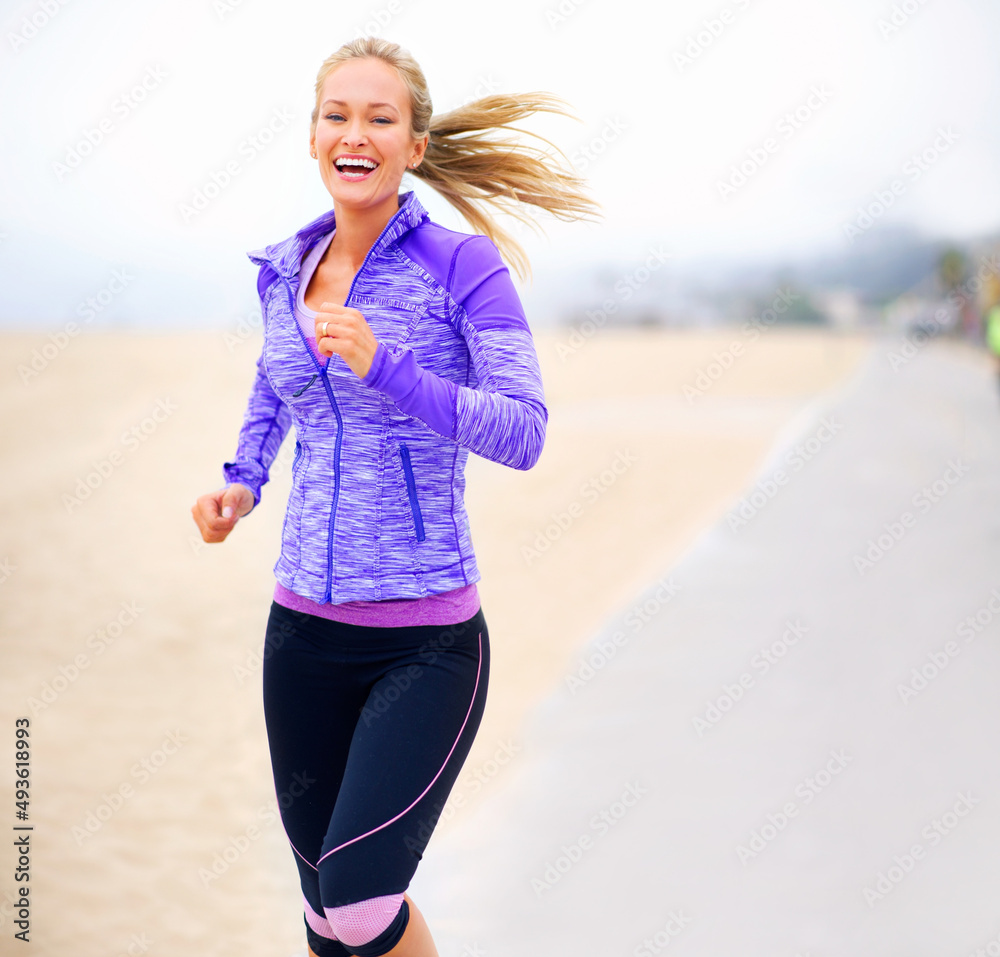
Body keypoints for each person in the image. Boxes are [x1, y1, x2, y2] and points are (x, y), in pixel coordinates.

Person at [190, 36, 599, 957]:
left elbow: (523, 431)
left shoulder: (464, 268)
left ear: (414, 145)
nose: (356, 132)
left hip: (426, 641)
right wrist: (240, 482)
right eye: (337, 114)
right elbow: (274, 383)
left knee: (365, 901)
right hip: (300, 633)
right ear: (311, 136)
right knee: (325, 922)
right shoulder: (283, 272)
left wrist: (391, 368)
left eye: (381, 118)